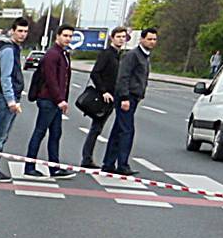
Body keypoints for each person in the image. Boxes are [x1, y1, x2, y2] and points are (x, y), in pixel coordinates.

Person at [22, 27, 76, 177]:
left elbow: (63, 80)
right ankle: (29, 167)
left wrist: (63, 99)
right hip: (48, 100)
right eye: (65, 35)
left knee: (55, 134)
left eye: (70, 36)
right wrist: (60, 100)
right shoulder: (52, 55)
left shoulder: (63, 54)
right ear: (57, 36)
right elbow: (51, 80)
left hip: (56, 101)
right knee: (39, 132)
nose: (68, 39)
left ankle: (54, 167)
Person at [0, 16, 30, 180]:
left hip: (11, 97)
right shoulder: (9, 50)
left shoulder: (14, 49)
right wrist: (11, 101)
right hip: (7, 98)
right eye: (20, 31)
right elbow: (6, 77)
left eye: (25, 31)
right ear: (13, 31)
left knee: (3, 134)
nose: (23, 34)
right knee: (0, 134)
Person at [104, 28, 157, 174]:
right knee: (127, 131)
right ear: (141, 39)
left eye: (154, 39)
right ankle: (122, 165)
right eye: (149, 39)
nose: (152, 42)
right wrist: (125, 97)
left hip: (134, 98)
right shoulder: (133, 55)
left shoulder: (145, 56)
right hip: (126, 98)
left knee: (118, 130)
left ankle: (108, 163)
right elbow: (123, 77)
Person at [76, 27, 128, 169]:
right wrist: (104, 91)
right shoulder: (106, 54)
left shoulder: (120, 56)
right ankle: (86, 158)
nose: (121, 39)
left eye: (123, 37)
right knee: (96, 128)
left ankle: (89, 158)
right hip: (103, 97)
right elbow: (95, 73)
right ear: (112, 38)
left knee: (98, 128)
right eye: (118, 36)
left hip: (113, 97)